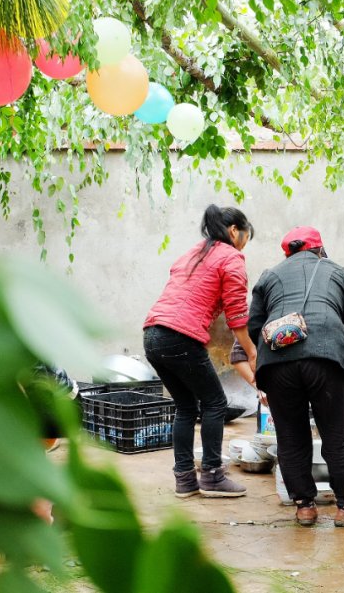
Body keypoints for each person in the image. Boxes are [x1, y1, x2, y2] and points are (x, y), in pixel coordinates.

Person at [248, 227, 344, 527]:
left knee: (290, 437)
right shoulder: (337, 272)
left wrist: (267, 367)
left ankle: (304, 507)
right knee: (337, 435)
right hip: (327, 357)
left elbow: (255, 328)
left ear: (287, 253)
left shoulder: (269, 275)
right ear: (321, 249)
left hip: (277, 362)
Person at [143, 204, 257, 498]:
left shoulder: (193, 252)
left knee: (185, 406)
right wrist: (252, 352)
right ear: (234, 231)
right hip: (180, 337)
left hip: (153, 333)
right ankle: (212, 476)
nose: (245, 246)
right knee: (215, 402)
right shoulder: (231, 257)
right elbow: (237, 317)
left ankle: (184, 479)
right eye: (245, 238)